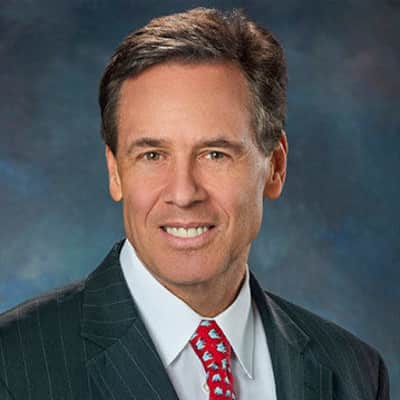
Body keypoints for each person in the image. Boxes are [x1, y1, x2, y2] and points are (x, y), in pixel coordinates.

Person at [0, 7, 389, 400]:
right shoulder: (13, 364)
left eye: (215, 154)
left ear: (275, 166)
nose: (184, 193)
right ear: (115, 172)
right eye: (153, 155)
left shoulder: (355, 373)